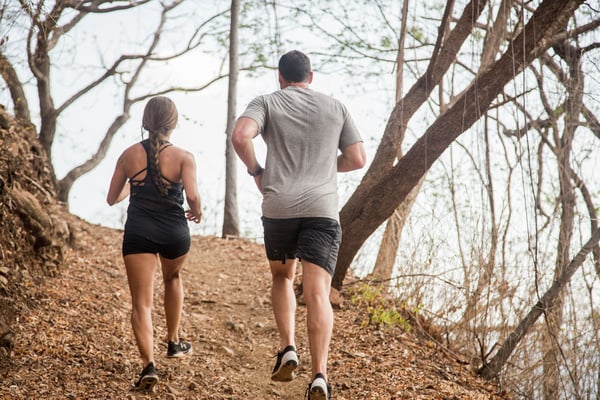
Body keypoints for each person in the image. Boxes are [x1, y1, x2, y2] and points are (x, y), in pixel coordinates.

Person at [232, 50, 366, 400]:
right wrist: (324, 167)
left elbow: (240, 136)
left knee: (282, 277)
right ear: (311, 76)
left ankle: (288, 347)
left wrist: (256, 171)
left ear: (280, 77)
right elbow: (357, 158)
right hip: (322, 210)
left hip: (279, 206)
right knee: (318, 292)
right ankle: (320, 375)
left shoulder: (267, 102)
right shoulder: (335, 107)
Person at [106, 96, 202, 392]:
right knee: (172, 277)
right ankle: (173, 342)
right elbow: (193, 197)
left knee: (141, 303)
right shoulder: (184, 156)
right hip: (174, 231)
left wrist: (134, 186)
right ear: (173, 124)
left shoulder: (127, 155)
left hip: (139, 232)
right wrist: (197, 211)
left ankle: (149, 365)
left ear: (145, 123)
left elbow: (112, 198)